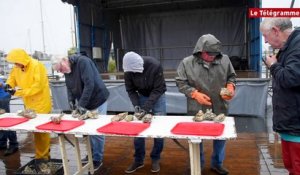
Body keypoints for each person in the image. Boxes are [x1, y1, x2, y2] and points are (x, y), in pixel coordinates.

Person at [176, 34, 236, 175]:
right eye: (209, 54)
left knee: (221, 137)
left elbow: (232, 77)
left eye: (215, 54)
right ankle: (197, 163)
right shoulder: (186, 63)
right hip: (197, 108)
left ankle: (217, 164)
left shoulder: (225, 60)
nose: (212, 57)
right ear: (200, 50)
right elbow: (180, 82)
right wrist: (194, 94)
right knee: (196, 138)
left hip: (220, 106)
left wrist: (231, 87)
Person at [51, 52, 110, 171]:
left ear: (64, 60)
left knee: (96, 131)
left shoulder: (83, 62)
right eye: (59, 71)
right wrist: (72, 102)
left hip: (97, 99)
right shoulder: (67, 70)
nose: (61, 72)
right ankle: (91, 154)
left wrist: (81, 105)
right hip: (86, 101)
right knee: (88, 130)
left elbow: (90, 84)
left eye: (61, 69)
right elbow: (69, 87)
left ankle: (97, 158)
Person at [260, 18, 300, 175]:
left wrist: (274, 65)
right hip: (291, 124)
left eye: (265, 35)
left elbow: (291, 78)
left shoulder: (297, 47)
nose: (265, 40)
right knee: (291, 166)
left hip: (297, 125)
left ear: (276, 31)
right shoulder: (289, 47)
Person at [122, 51, 166, 174]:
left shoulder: (155, 65)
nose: (135, 74)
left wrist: (146, 108)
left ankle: (156, 158)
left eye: (137, 71)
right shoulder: (128, 70)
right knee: (138, 128)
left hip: (158, 95)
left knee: (159, 127)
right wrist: (136, 105)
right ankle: (138, 159)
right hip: (141, 95)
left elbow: (158, 89)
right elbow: (130, 90)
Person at [5, 48, 52, 163]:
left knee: (42, 131)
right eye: (14, 63)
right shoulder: (17, 67)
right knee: (35, 131)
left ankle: (43, 157)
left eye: (16, 62)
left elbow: (38, 86)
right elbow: (12, 77)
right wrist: (8, 84)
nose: (15, 65)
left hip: (41, 103)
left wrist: (17, 92)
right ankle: (41, 154)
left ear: (22, 59)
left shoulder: (37, 66)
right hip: (29, 103)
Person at [0, 77, 19, 156]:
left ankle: (13, 144)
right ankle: (2, 143)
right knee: (1, 121)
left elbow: (1, 84)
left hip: (2, 97)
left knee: (6, 120)